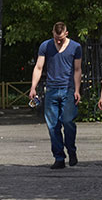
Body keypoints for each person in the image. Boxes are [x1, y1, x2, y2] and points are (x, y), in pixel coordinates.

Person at [29, 21, 83, 169]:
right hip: (52, 89)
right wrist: (33, 87)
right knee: (53, 126)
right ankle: (59, 157)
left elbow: (77, 69)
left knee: (67, 121)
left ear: (66, 33)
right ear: (53, 33)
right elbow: (39, 67)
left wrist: (77, 90)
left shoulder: (75, 47)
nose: (58, 41)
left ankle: (71, 150)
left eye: (61, 38)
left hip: (68, 89)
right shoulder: (45, 46)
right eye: (56, 37)